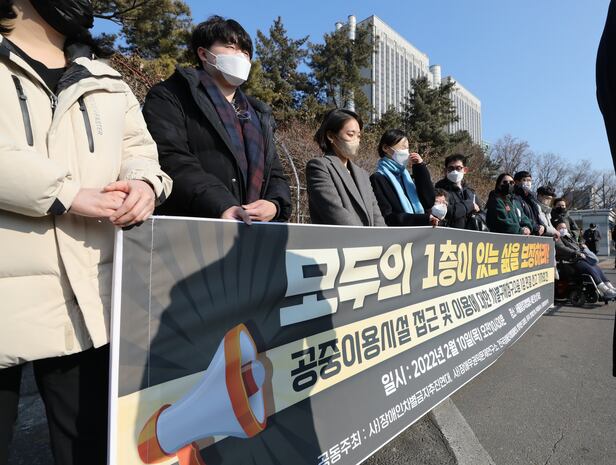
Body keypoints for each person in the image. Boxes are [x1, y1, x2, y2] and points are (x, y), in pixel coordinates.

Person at [0, 1, 173, 464]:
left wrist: (144, 185)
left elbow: (140, 149)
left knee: (90, 446)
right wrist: (66, 193)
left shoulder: (106, 78)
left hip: (90, 298)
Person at [143, 15, 291, 223]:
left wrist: (274, 204)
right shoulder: (171, 95)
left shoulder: (258, 114)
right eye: (230, 47)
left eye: (245, 52)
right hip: (189, 226)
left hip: (251, 231)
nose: (240, 56)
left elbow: (274, 173)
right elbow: (171, 159)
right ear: (204, 54)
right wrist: (222, 204)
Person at [306, 109, 385, 226]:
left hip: (370, 237)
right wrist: (367, 235)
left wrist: (383, 235)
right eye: (350, 134)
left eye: (358, 136)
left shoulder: (363, 174)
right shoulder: (320, 167)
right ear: (331, 136)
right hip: (342, 237)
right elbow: (335, 213)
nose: (356, 140)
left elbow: (376, 216)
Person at [369, 129, 437, 227]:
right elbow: (387, 217)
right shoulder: (378, 178)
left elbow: (428, 202)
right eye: (403, 147)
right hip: (400, 234)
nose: (406, 152)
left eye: (407, 148)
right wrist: (422, 219)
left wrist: (420, 167)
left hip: (421, 232)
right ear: (385, 148)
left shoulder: (406, 175)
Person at [554, 221, 616, 298]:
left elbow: (579, 241)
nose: (563, 229)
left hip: (579, 258)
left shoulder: (568, 237)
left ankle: (610, 287)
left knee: (596, 267)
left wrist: (582, 246)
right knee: (590, 269)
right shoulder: (557, 238)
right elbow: (561, 248)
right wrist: (576, 252)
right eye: (561, 228)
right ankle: (605, 290)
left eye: (565, 228)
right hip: (570, 261)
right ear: (556, 229)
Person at [434, 153, 482, 229]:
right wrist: (470, 205)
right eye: (451, 168)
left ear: (465, 170)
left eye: (458, 168)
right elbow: (447, 212)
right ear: (445, 171)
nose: (455, 171)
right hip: (450, 234)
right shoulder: (440, 190)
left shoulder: (470, 192)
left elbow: (481, 211)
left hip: (471, 234)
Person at [512, 171, 545, 236]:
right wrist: (535, 227)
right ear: (517, 182)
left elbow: (538, 215)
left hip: (535, 232)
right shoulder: (515, 197)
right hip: (524, 233)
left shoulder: (532, 199)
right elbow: (521, 216)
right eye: (524, 180)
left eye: (529, 180)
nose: (528, 183)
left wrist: (542, 226)